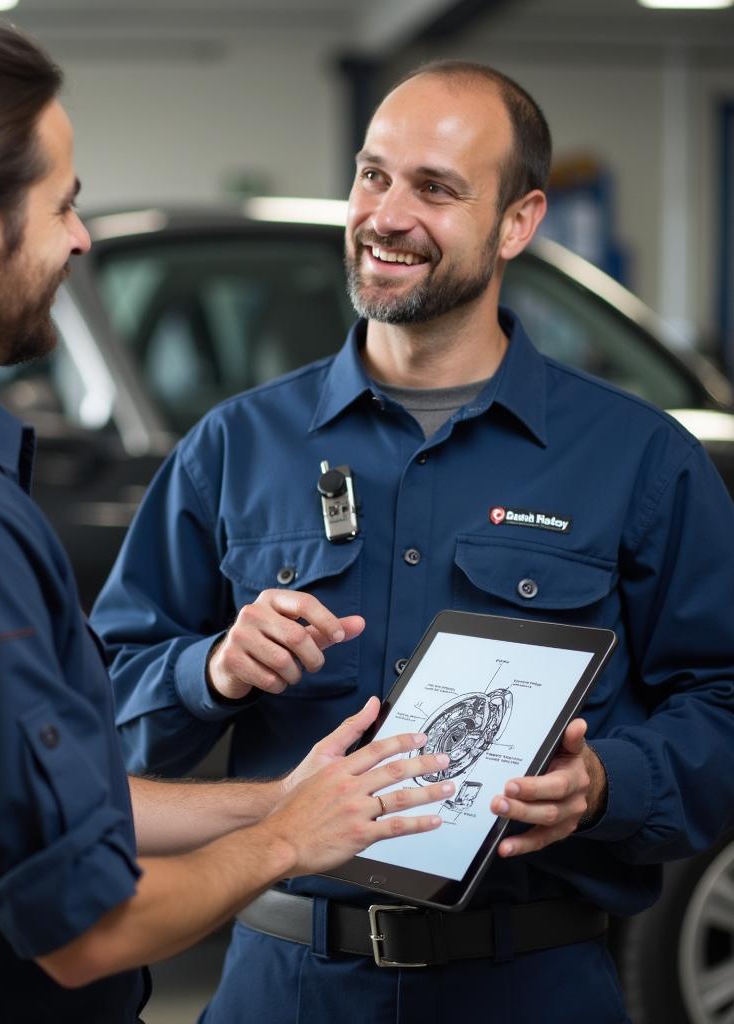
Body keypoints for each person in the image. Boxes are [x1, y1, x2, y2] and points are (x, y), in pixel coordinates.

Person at [0, 13, 451, 1023]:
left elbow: (33, 806)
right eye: (64, 203)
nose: (79, 236)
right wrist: (284, 846)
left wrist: (283, 798)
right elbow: (87, 925)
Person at [90, 60, 734, 1024]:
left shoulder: (639, 461)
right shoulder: (234, 447)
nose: (386, 216)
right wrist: (212, 670)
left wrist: (608, 784)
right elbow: (96, 709)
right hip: (286, 987)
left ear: (518, 221)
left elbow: (724, 703)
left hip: (532, 985)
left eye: (434, 188)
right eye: (372, 175)